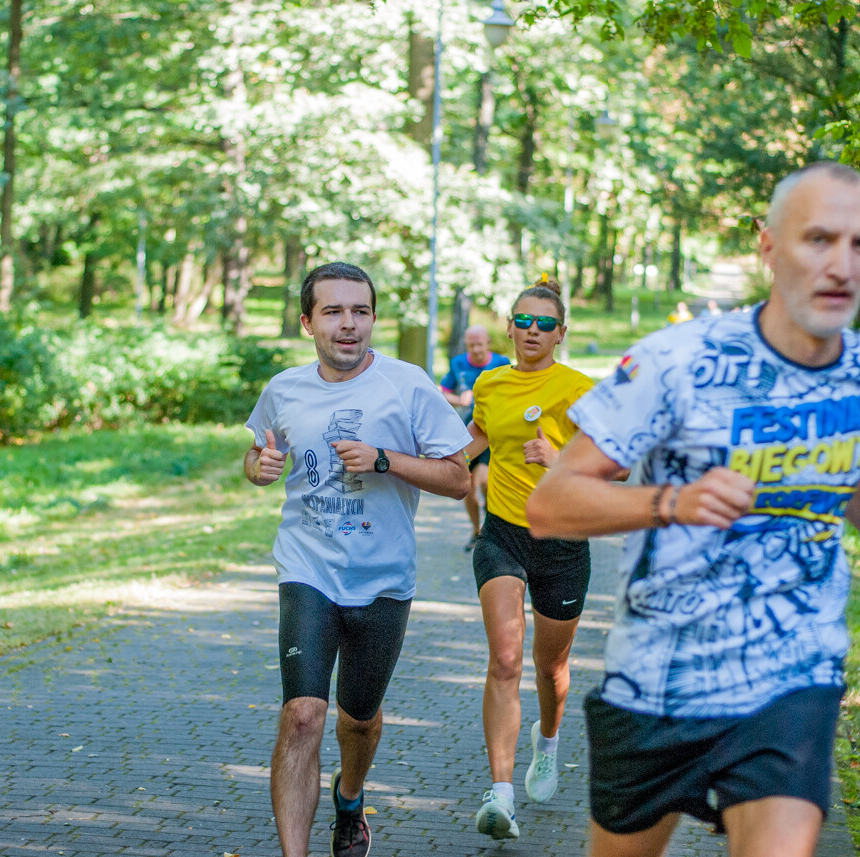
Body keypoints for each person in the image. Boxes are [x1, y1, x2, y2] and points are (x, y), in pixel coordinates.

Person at [526, 162, 860, 857]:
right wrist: (673, 501)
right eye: (817, 239)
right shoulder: (675, 362)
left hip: (793, 670)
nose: (841, 264)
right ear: (769, 247)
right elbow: (550, 505)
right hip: (658, 675)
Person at [244, 261, 472, 857]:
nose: (349, 325)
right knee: (301, 715)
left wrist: (382, 460)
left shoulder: (408, 384)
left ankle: (351, 798)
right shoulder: (284, 388)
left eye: (361, 311)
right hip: (307, 568)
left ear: (373, 318)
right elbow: (259, 453)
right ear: (306, 322)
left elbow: (458, 479)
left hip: (383, 579)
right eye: (333, 312)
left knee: (359, 721)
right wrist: (258, 467)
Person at [461, 277, 596, 840]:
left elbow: (616, 465)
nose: (531, 331)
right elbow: (470, 442)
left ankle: (548, 742)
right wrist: (403, 464)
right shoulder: (489, 383)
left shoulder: (580, 388)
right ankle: (501, 793)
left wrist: (560, 457)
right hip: (503, 536)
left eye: (544, 323)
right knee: (506, 659)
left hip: (563, 544)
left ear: (561, 333)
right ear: (509, 327)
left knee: (550, 667)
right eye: (523, 321)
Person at [440, 324, 512, 551]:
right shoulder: (458, 363)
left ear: (488, 343)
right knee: (469, 487)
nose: (476, 349)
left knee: (486, 483)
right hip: (466, 432)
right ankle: (477, 530)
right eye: (471, 345)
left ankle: (494, 530)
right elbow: (442, 390)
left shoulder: (501, 364)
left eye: (480, 344)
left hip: (491, 432)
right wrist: (459, 401)